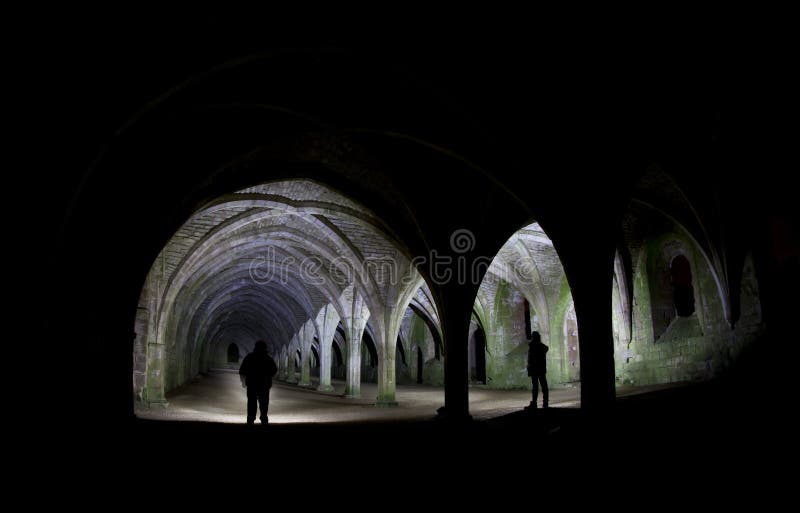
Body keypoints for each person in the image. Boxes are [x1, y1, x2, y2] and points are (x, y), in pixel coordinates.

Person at [239, 340, 278, 425]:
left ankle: (250, 419)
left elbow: (242, 370)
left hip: (252, 384)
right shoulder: (268, 359)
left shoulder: (250, 357)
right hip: (264, 385)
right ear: (264, 348)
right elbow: (274, 370)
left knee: (251, 402)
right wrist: (268, 377)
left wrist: (243, 381)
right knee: (264, 403)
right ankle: (264, 419)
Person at [526, 331, 549, 410]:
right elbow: (546, 348)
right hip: (541, 369)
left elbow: (530, 360)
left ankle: (535, 403)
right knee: (543, 386)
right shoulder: (542, 347)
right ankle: (545, 403)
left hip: (535, 370)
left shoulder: (532, 346)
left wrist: (529, 368)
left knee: (536, 387)